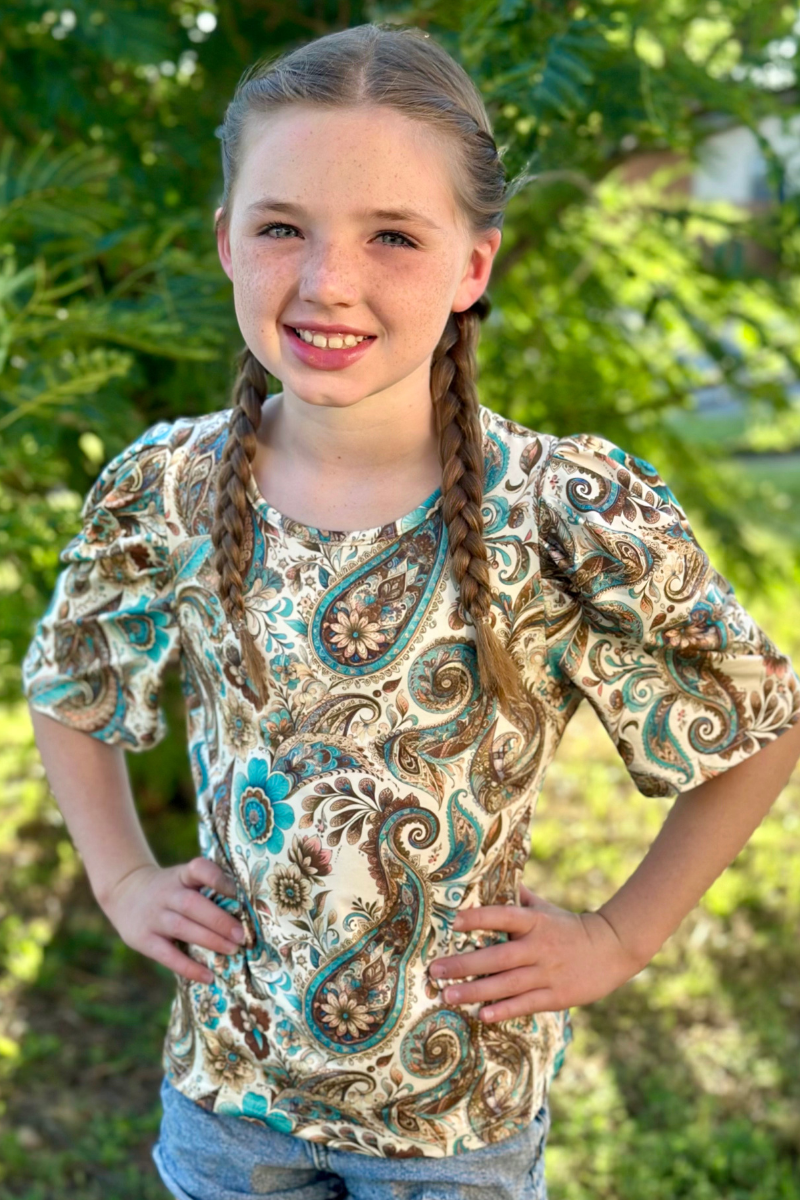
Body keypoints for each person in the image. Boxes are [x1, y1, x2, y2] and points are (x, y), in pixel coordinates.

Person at [20, 20, 800, 1200]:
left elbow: (756, 721)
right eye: (281, 227)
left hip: (457, 1120)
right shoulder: (167, 487)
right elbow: (70, 679)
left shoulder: (559, 509)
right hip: (229, 1100)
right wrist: (123, 878)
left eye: (391, 235)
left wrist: (618, 936)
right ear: (226, 241)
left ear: (472, 265)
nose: (327, 281)